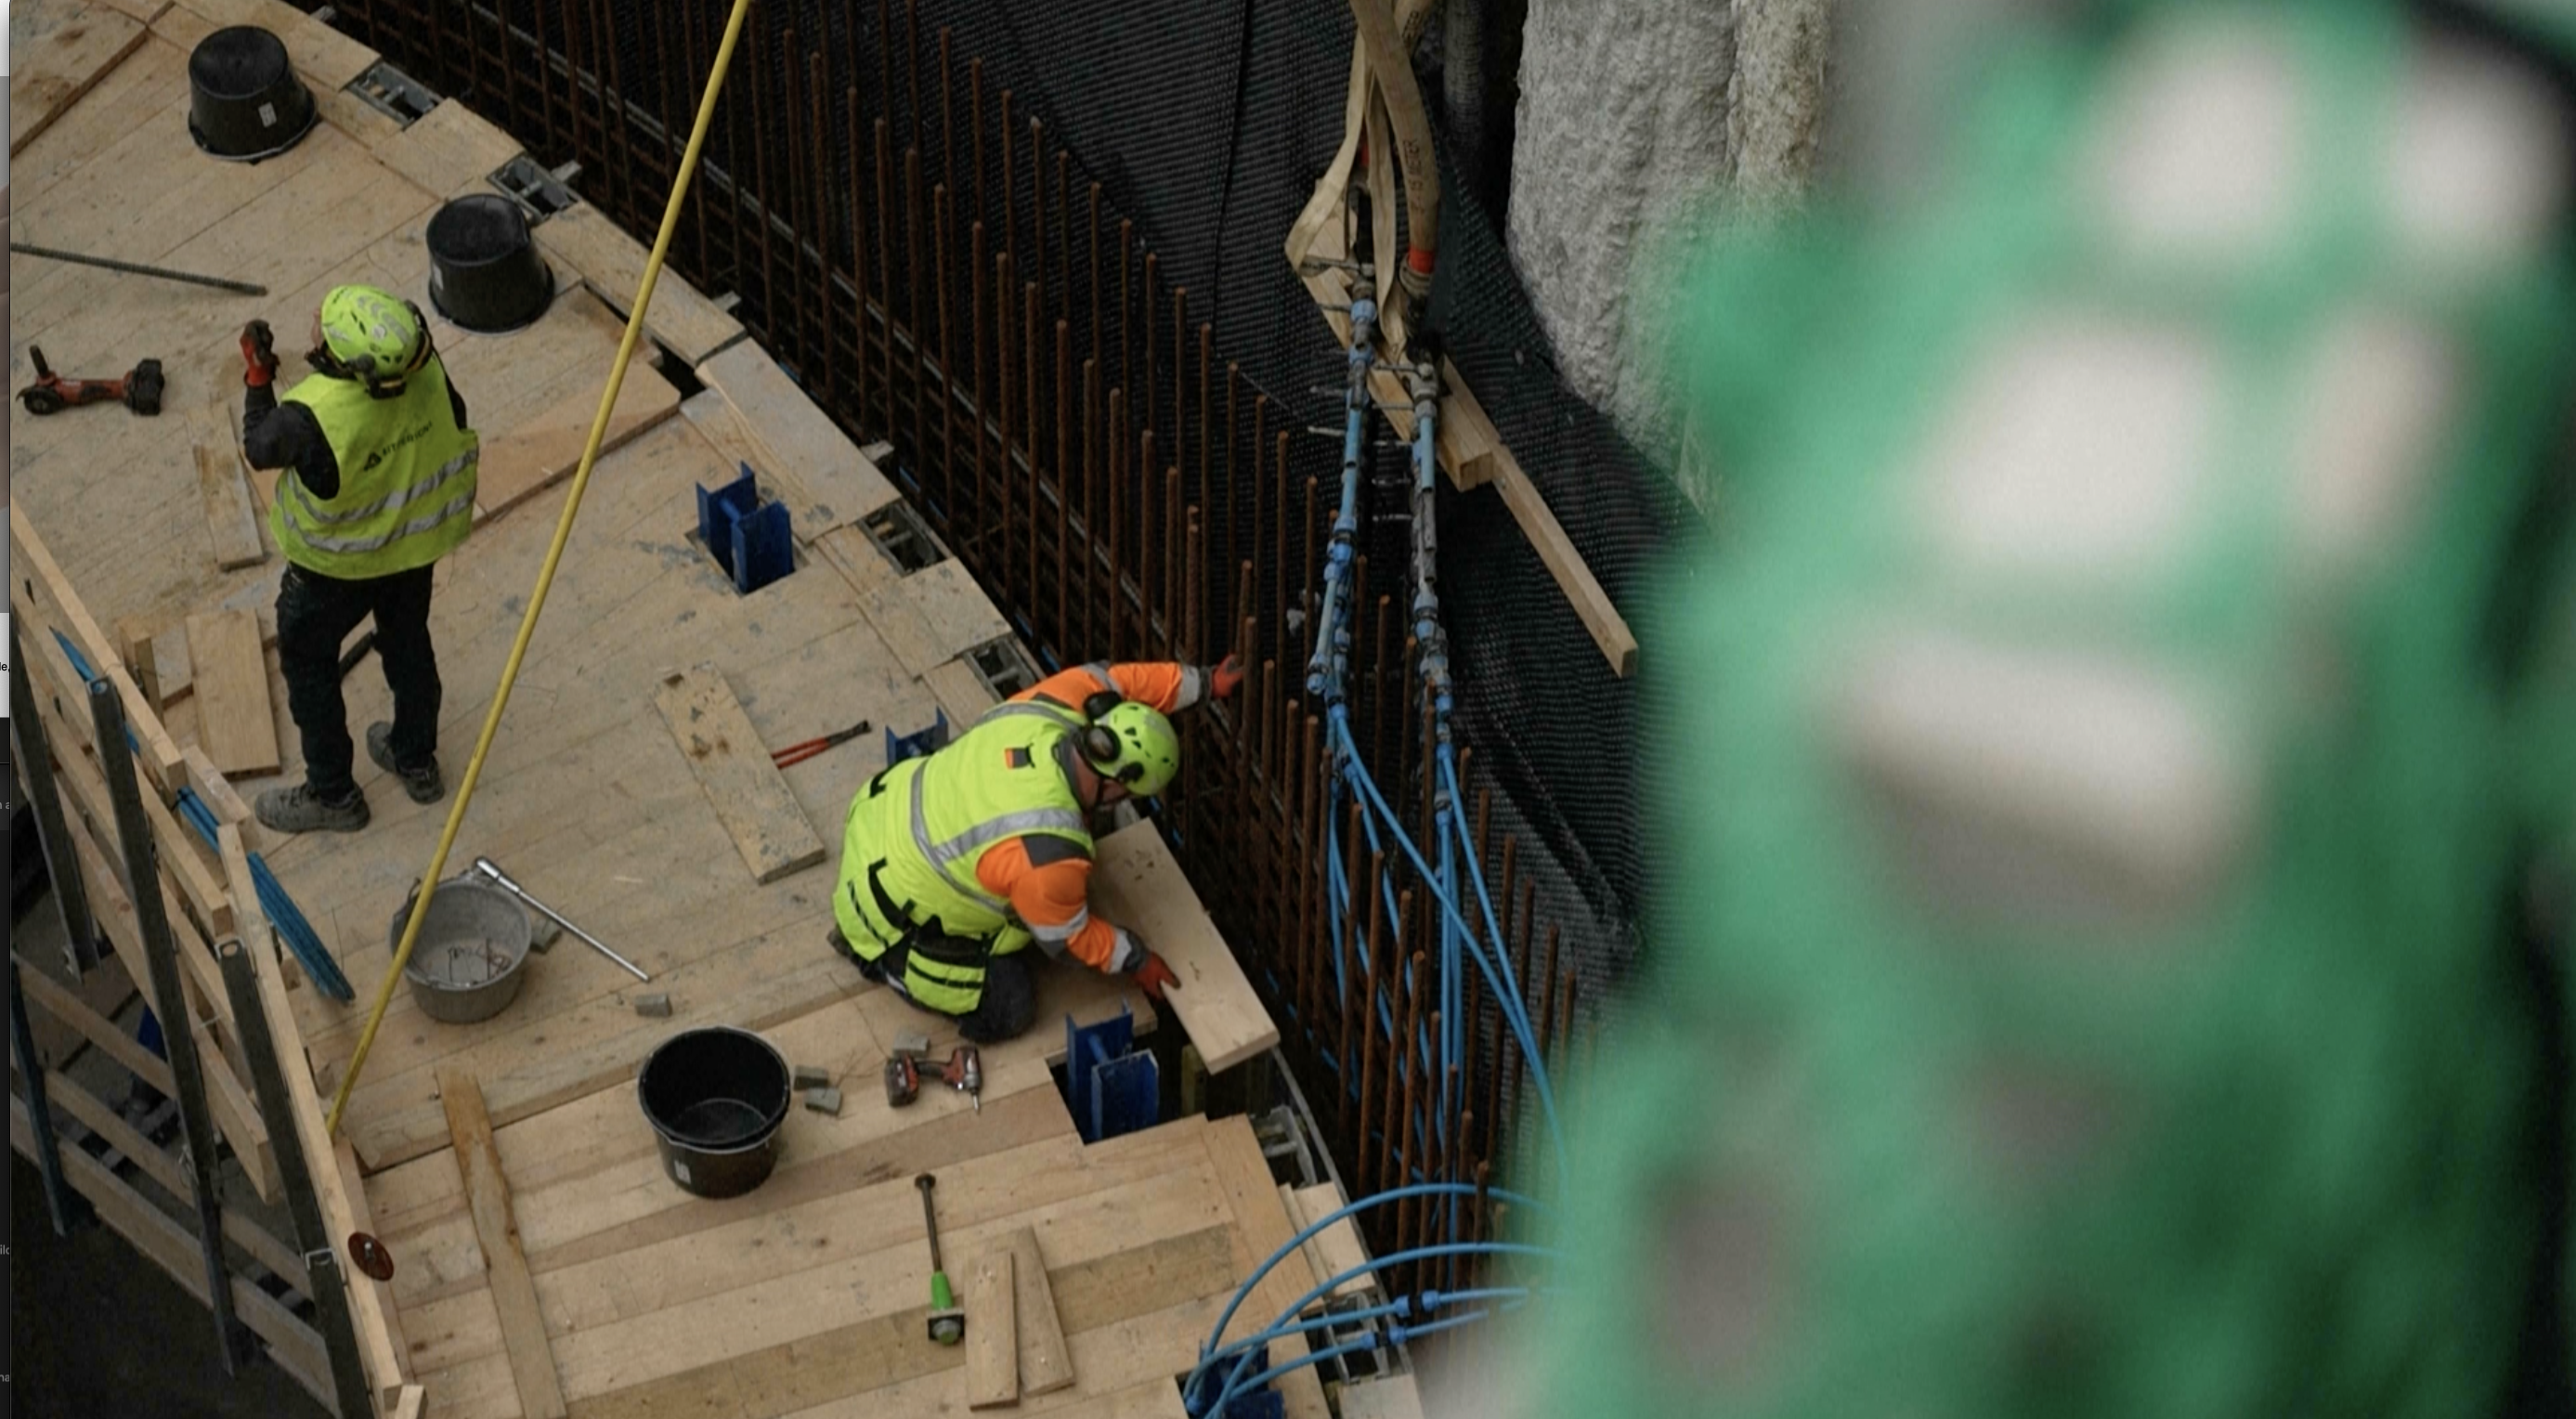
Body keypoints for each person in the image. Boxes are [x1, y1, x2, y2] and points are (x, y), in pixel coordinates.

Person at [830, 655, 1245, 1041]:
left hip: (880, 811)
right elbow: (1068, 939)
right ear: (1117, 784)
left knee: (1035, 895)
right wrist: (1137, 958)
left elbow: (1124, 681)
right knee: (1012, 1003)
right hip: (881, 914)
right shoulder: (1048, 850)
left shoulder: (1063, 700)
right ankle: (888, 966)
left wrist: (1206, 683)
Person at [239, 284, 479, 834]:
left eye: (322, 329)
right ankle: (416, 760)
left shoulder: (310, 416)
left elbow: (258, 446)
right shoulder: (426, 371)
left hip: (332, 574)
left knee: (309, 667)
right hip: (409, 552)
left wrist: (258, 378)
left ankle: (333, 795)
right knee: (408, 642)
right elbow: (453, 418)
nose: (316, 328)